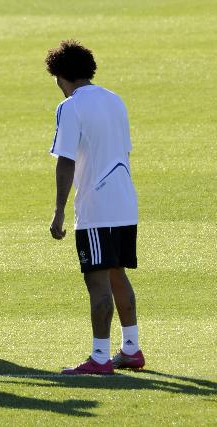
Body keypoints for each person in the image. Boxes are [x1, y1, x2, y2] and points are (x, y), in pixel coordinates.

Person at [45, 40, 145, 375]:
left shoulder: (71, 107)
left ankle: (100, 358)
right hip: (125, 203)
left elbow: (65, 161)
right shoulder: (115, 100)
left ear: (61, 76)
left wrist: (59, 211)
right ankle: (131, 349)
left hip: (96, 208)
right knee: (118, 274)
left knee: (98, 282)